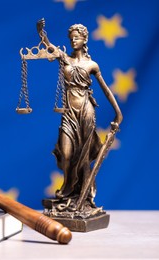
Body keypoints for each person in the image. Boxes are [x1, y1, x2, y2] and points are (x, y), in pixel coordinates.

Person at [36, 19, 123, 209]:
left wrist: (118, 113)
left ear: (84, 40)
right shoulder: (65, 59)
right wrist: (42, 33)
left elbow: (107, 90)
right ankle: (68, 190)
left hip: (85, 111)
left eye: (76, 38)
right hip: (68, 113)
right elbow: (50, 47)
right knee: (66, 154)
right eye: (71, 38)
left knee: (83, 157)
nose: (73, 41)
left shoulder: (92, 65)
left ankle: (82, 196)